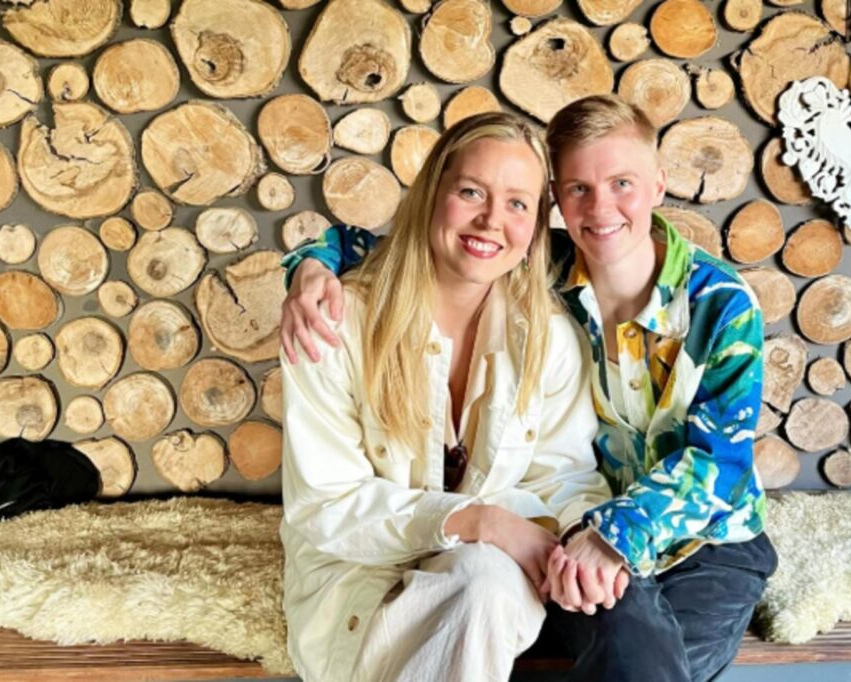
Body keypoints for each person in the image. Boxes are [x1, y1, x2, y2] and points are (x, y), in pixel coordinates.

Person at [282, 95, 778, 682]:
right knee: (607, 635)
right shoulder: (543, 267)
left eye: (622, 183)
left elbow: (719, 465)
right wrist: (310, 263)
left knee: (653, 664)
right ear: (558, 206)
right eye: (579, 189)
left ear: (658, 184)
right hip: (575, 526)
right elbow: (399, 246)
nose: (601, 208)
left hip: (697, 543)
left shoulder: (719, 305)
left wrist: (608, 535)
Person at [280, 111, 612, 682]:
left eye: (517, 204)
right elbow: (326, 505)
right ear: (433, 195)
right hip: (358, 571)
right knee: (476, 585)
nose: (491, 220)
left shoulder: (550, 339)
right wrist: (479, 520)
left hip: (487, 578)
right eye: (471, 192)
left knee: (482, 582)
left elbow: (565, 477)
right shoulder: (335, 321)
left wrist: (585, 538)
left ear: (536, 229)